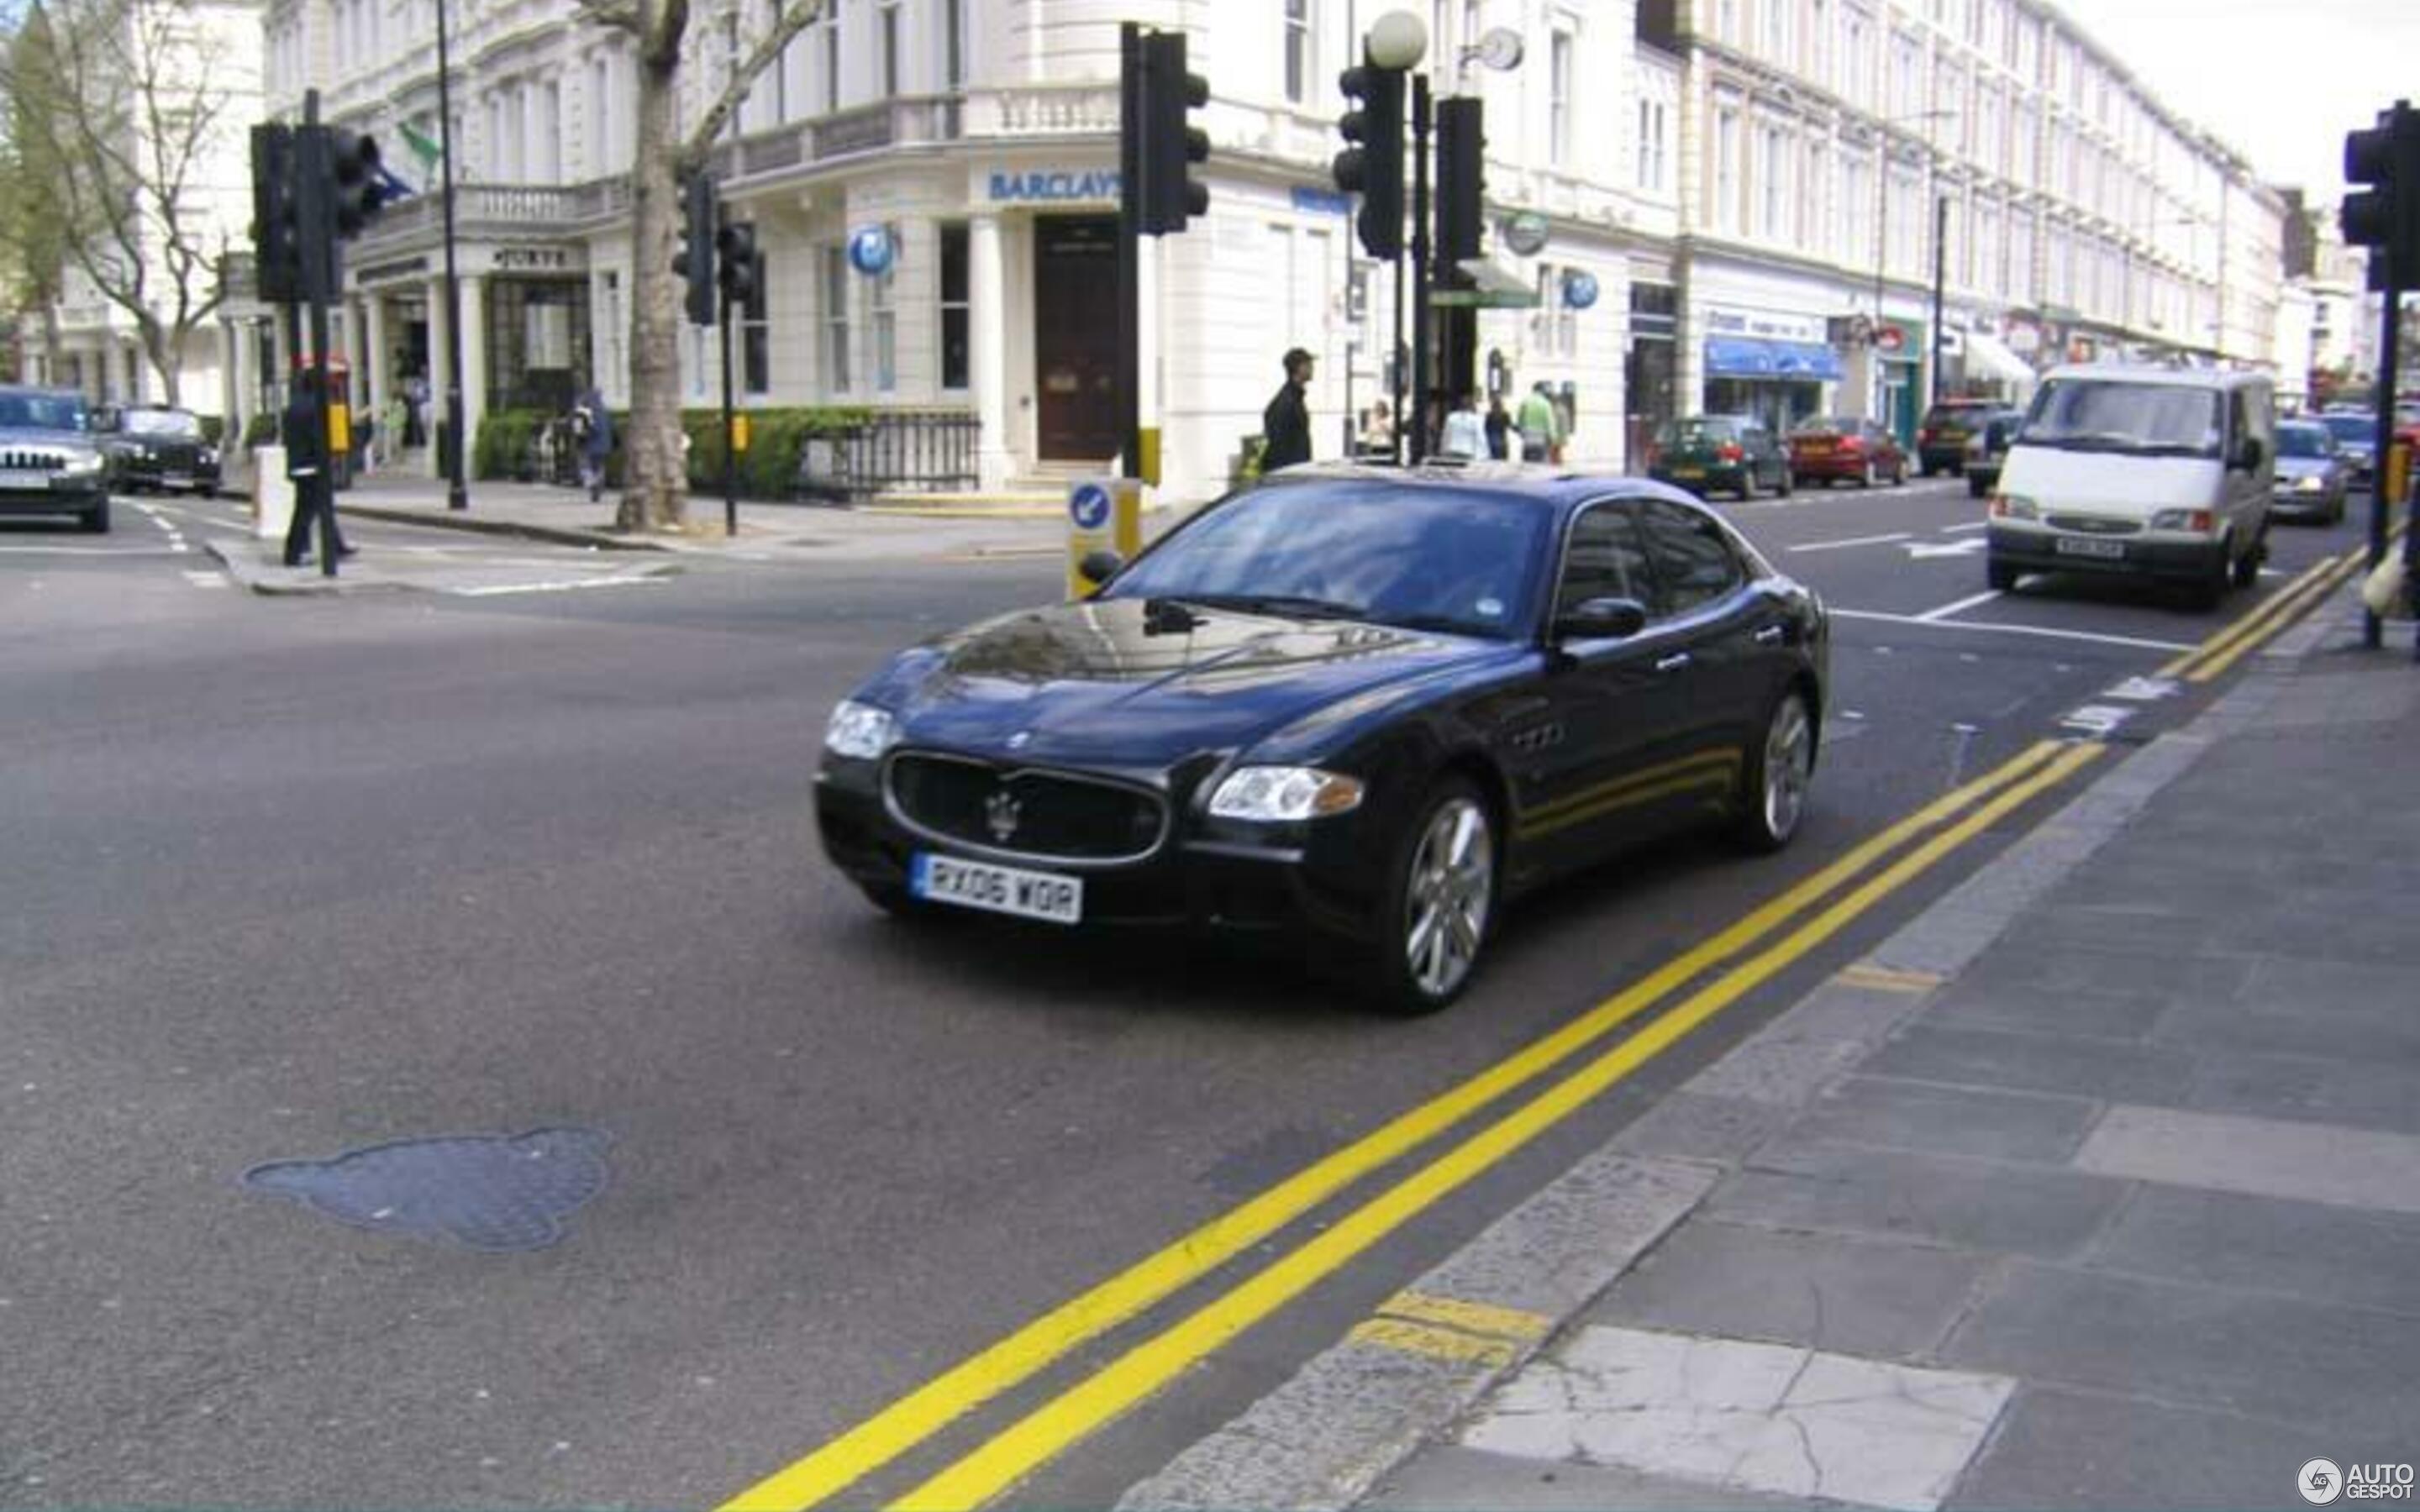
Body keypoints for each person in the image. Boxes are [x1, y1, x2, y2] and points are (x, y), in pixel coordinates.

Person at [1260, 348, 1315, 472]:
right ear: (1299, 368)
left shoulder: (1295, 398)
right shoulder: (1286, 401)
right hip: (1290, 475)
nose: (1312, 368)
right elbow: (1279, 447)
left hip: (1296, 472)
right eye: (1308, 364)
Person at [572, 388, 613, 502]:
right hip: (604, 444)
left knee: (584, 465)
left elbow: (579, 429)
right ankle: (599, 483)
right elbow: (611, 427)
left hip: (589, 444)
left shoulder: (583, 410)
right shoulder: (604, 410)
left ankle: (592, 483)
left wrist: (578, 442)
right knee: (599, 465)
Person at [1517, 381, 1562, 463]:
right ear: (1542, 391)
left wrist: (1521, 432)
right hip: (1541, 438)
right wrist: (1554, 438)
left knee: (1527, 463)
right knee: (1540, 464)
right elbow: (1550, 422)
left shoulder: (1525, 402)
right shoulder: (1546, 404)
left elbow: (1520, 420)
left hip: (1528, 437)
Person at [1439, 391, 1486, 460]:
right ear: (1471, 405)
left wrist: (1442, 451)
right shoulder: (1476, 420)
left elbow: (1446, 435)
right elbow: (1480, 438)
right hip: (1468, 452)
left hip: (1453, 451)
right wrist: (1483, 454)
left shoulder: (1451, 417)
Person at [1484, 395, 1512, 461]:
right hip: (1502, 443)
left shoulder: (1488, 415)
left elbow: (1485, 429)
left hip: (1491, 443)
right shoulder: (1505, 415)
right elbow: (1510, 425)